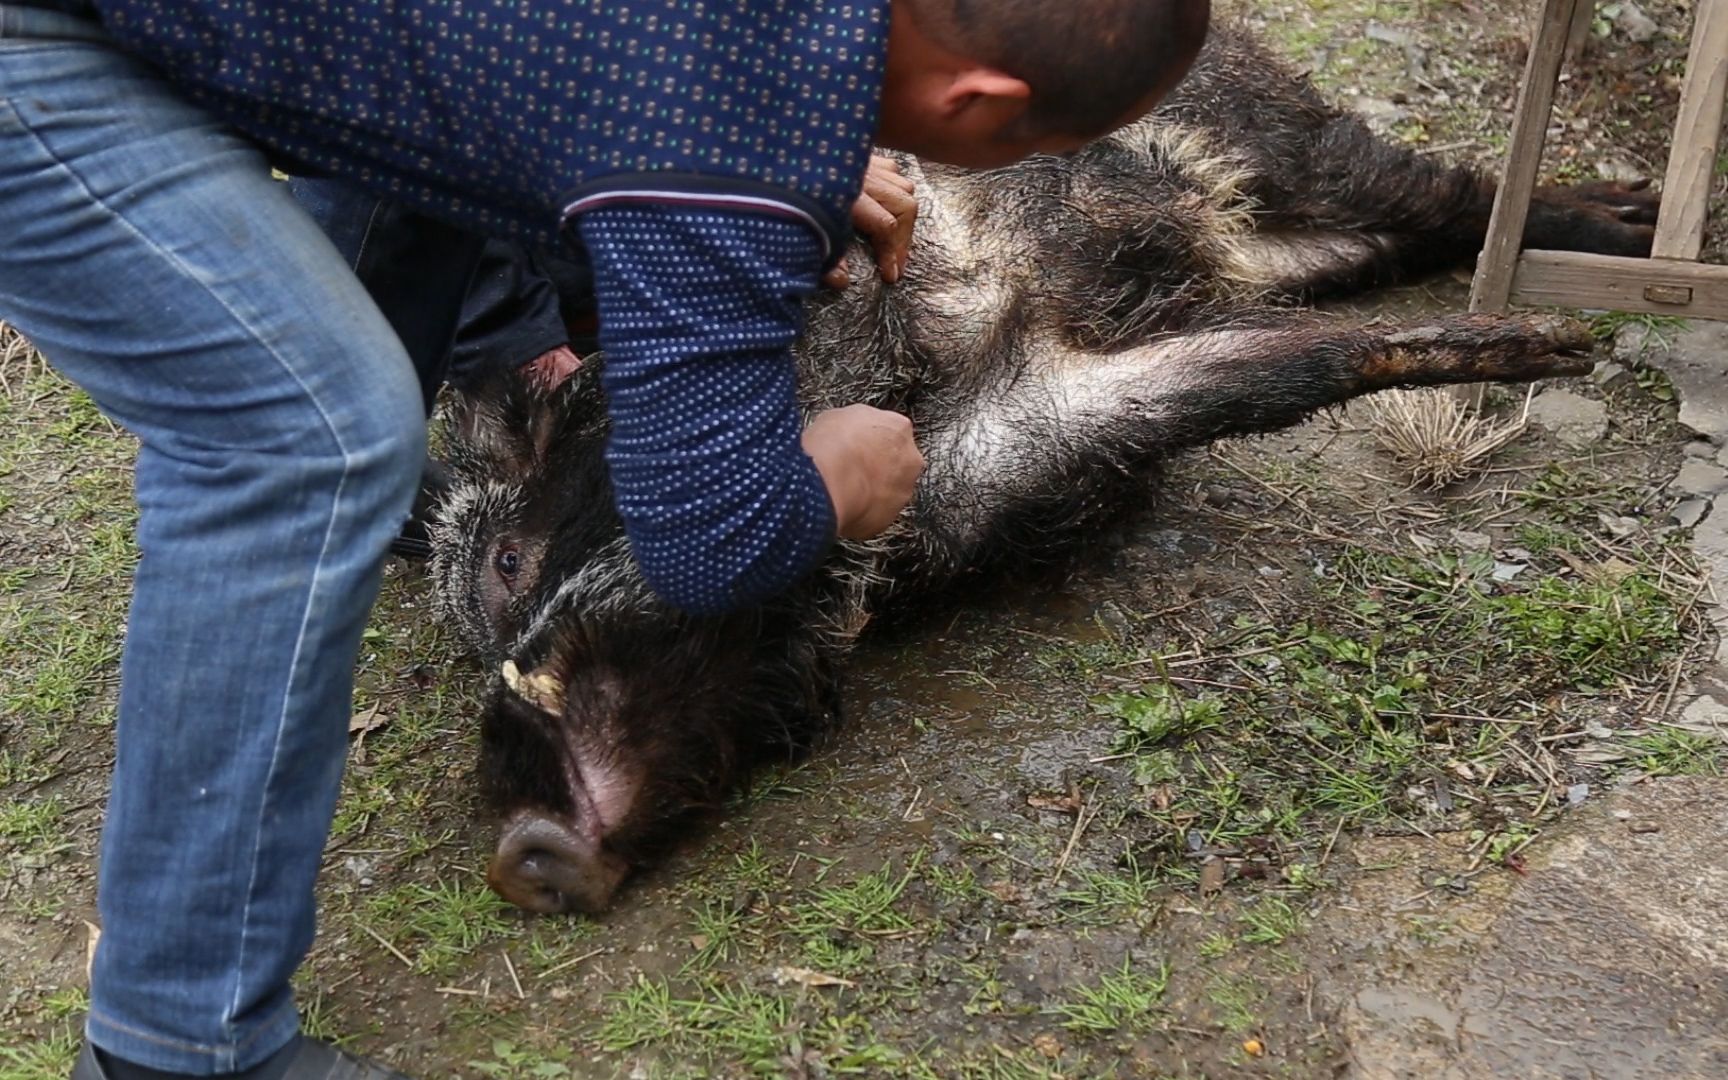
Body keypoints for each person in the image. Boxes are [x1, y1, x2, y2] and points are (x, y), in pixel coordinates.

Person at [0, 0, 1211, 1076]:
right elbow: (703, 543)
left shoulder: (736, 80)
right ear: (978, 102)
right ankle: (183, 1039)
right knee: (310, 435)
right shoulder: (726, 150)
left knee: (386, 268)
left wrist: (763, 162)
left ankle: (296, 526)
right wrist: (833, 478)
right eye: (1034, 151)